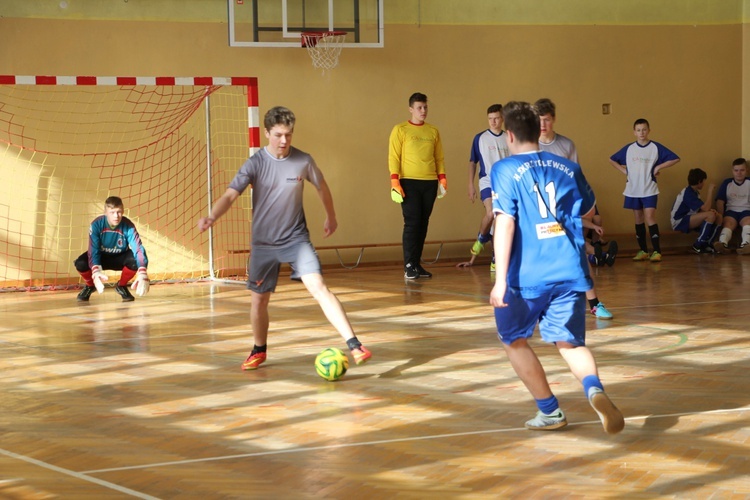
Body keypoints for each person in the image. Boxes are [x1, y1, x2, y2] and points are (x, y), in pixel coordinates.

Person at [197, 106, 372, 371]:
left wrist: (331, 216)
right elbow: (231, 194)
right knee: (259, 298)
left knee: (318, 286)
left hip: (296, 239)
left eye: (288, 135)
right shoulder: (255, 163)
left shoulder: (303, 160)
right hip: (263, 244)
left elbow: (321, 186)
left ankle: (354, 344)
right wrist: (212, 216)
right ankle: (259, 350)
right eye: (278, 134)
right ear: (266, 132)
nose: (284, 141)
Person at [489, 101, 624, 434]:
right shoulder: (568, 167)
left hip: (527, 275)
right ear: (540, 130)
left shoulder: (504, 170)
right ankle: (594, 387)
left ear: (509, 134)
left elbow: (504, 223)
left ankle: (550, 411)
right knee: (571, 344)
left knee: (514, 340)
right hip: (569, 270)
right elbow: (588, 208)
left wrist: (500, 280)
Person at [535, 98, 616, 320]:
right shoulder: (530, 145)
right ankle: (538, 307)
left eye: (547, 120)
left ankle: (595, 304)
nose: (543, 125)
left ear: (554, 119)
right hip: (540, 214)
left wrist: (578, 208)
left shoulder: (567, 145)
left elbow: (576, 179)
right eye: (539, 120)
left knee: (579, 257)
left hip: (564, 212)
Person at [388, 92, 448, 280]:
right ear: (411, 109)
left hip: (429, 183)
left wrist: (442, 179)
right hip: (408, 182)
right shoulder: (400, 130)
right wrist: (394, 181)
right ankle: (408, 265)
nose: (423, 111)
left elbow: (439, 157)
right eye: (419, 107)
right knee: (412, 223)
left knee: (423, 223)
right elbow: (394, 156)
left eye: (425, 107)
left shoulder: (433, 131)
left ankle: (416, 264)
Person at [609, 118, 680, 262]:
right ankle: (642, 250)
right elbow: (612, 159)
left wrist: (659, 167)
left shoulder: (655, 147)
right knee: (638, 219)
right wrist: (624, 171)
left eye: (644, 129)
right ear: (634, 132)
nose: (642, 132)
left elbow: (675, 158)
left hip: (649, 189)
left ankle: (657, 251)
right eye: (639, 130)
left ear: (649, 130)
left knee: (650, 217)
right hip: (633, 189)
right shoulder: (629, 149)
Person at [456, 104, 510, 269]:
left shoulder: (509, 137)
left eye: (496, 118)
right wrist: (470, 185)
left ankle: (495, 256)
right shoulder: (480, 138)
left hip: (505, 183)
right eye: (490, 119)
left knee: (500, 218)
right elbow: (473, 162)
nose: (493, 122)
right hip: (487, 181)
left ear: (502, 119)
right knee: (491, 213)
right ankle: (480, 242)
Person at [74, 196, 150, 302]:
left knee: (134, 261)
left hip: (120, 257)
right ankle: (90, 286)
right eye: (112, 212)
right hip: (101, 257)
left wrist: (143, 271)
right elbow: (93, 249)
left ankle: (121, 286)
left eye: (119, 212)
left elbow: (138, 248)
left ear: (123, 211)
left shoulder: (129, 226)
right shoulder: (96, 224)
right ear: (105, 212)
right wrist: (95, 271)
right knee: (80, 263)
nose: (116, 216)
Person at [670, 168, 721, 254]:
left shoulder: (695, 192)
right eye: (704, 181)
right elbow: (706, 208)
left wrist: (711, 211)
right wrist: (710, 191)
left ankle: (707, 243)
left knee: (718, 216)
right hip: (679, 221)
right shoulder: (688, 193)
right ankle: (697, 245)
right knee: (710, 215)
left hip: (689, 218)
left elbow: (702, 209)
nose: (704, 184)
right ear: (699, 181)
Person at [713, 158, 750, 254]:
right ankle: (722, 244)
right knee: (728, 223)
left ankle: (746, 245)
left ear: (746, 170)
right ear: (732, 171)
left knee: (747, 222)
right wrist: (721, 215)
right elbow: (720, 201)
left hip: (746, 210)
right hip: (731, 211)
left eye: (742, 170)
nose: (739, 173)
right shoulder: (727, 183)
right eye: (736, 170)